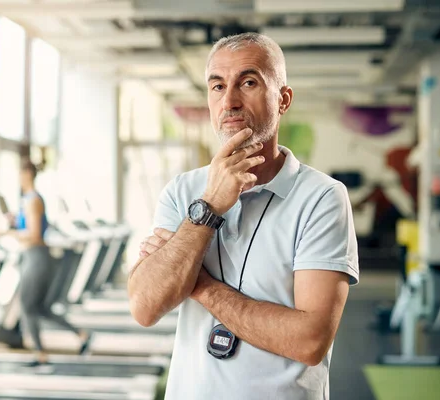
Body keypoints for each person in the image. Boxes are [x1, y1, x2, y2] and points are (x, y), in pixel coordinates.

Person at [127, 32, 359, 399]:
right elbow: (144, 306)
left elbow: (310, 340)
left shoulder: (323, 198)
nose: (230, 101)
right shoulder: (182, 192)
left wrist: (198, 284)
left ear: (283, 100)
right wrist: (208, 208)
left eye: (248, 82)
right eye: (217, 86)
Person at [0, 159, 87, 369]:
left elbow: (35, 235)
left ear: (27, 174)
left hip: (36, 257)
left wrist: (6, 232)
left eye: (20, 174)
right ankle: (81, 335)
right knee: (40, 308)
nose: (18, 178)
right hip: (31, 257)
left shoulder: (33, 200)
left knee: (27, 306)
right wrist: (14, 223)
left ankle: (41, 354)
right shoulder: (27, 200)